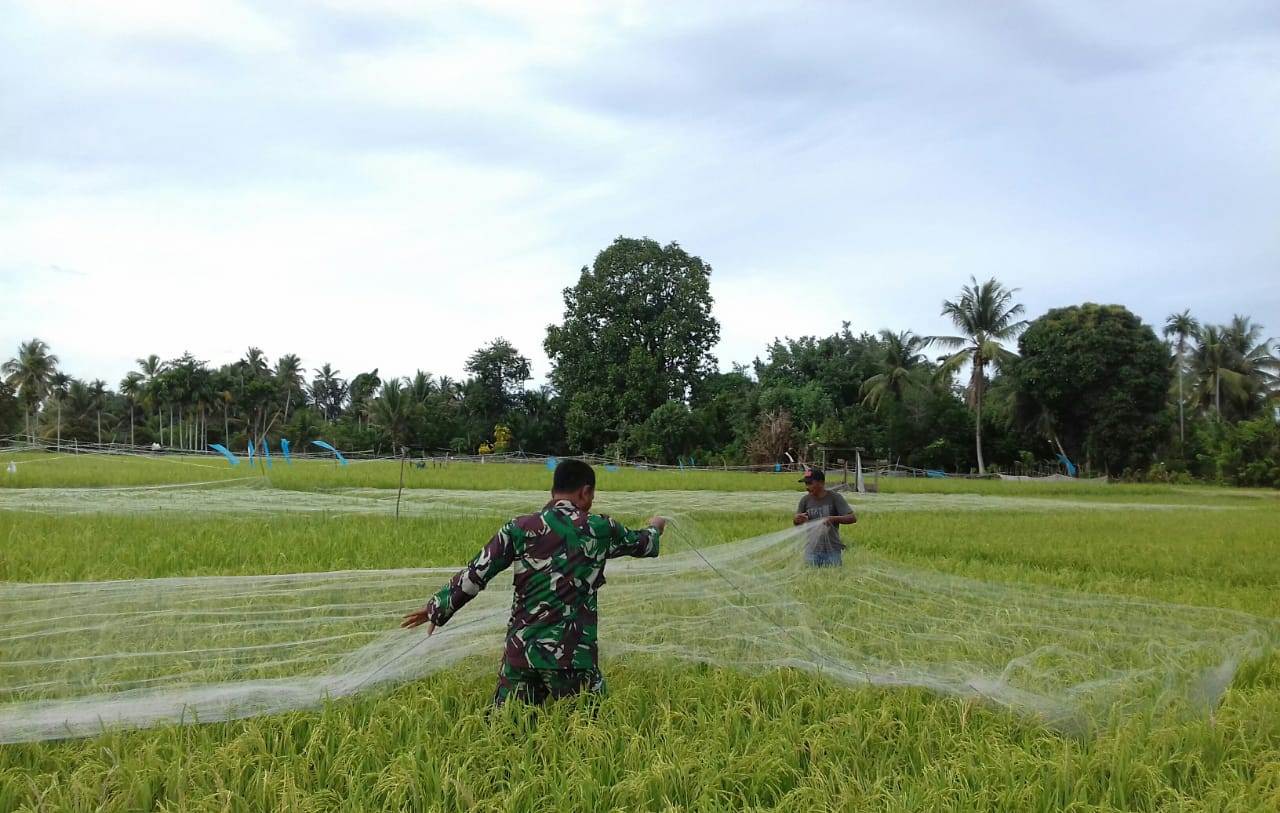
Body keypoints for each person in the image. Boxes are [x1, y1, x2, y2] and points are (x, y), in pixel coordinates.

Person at [401, 459, 667, 705]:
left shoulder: (519, 527)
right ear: (585, 492)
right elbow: (645, 543)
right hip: (572, 656)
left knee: (507, 731)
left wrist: (436, 608)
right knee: (591, 731)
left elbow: (476, 573)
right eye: (592, 496)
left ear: (554, 491)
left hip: (521, 653)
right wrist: (655, 525)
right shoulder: (600, 529)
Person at [792, 467, 856, 567]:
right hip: (812, 550)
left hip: (832, 550)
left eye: (810, 483)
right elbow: (797, 523)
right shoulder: (805, 500)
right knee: (811, 578)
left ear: (821, 483)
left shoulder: (835, 498)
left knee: (834, 578)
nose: (807, 487)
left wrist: (832, 519)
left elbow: (852, 518)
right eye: (806, 483)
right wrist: (797, 520)